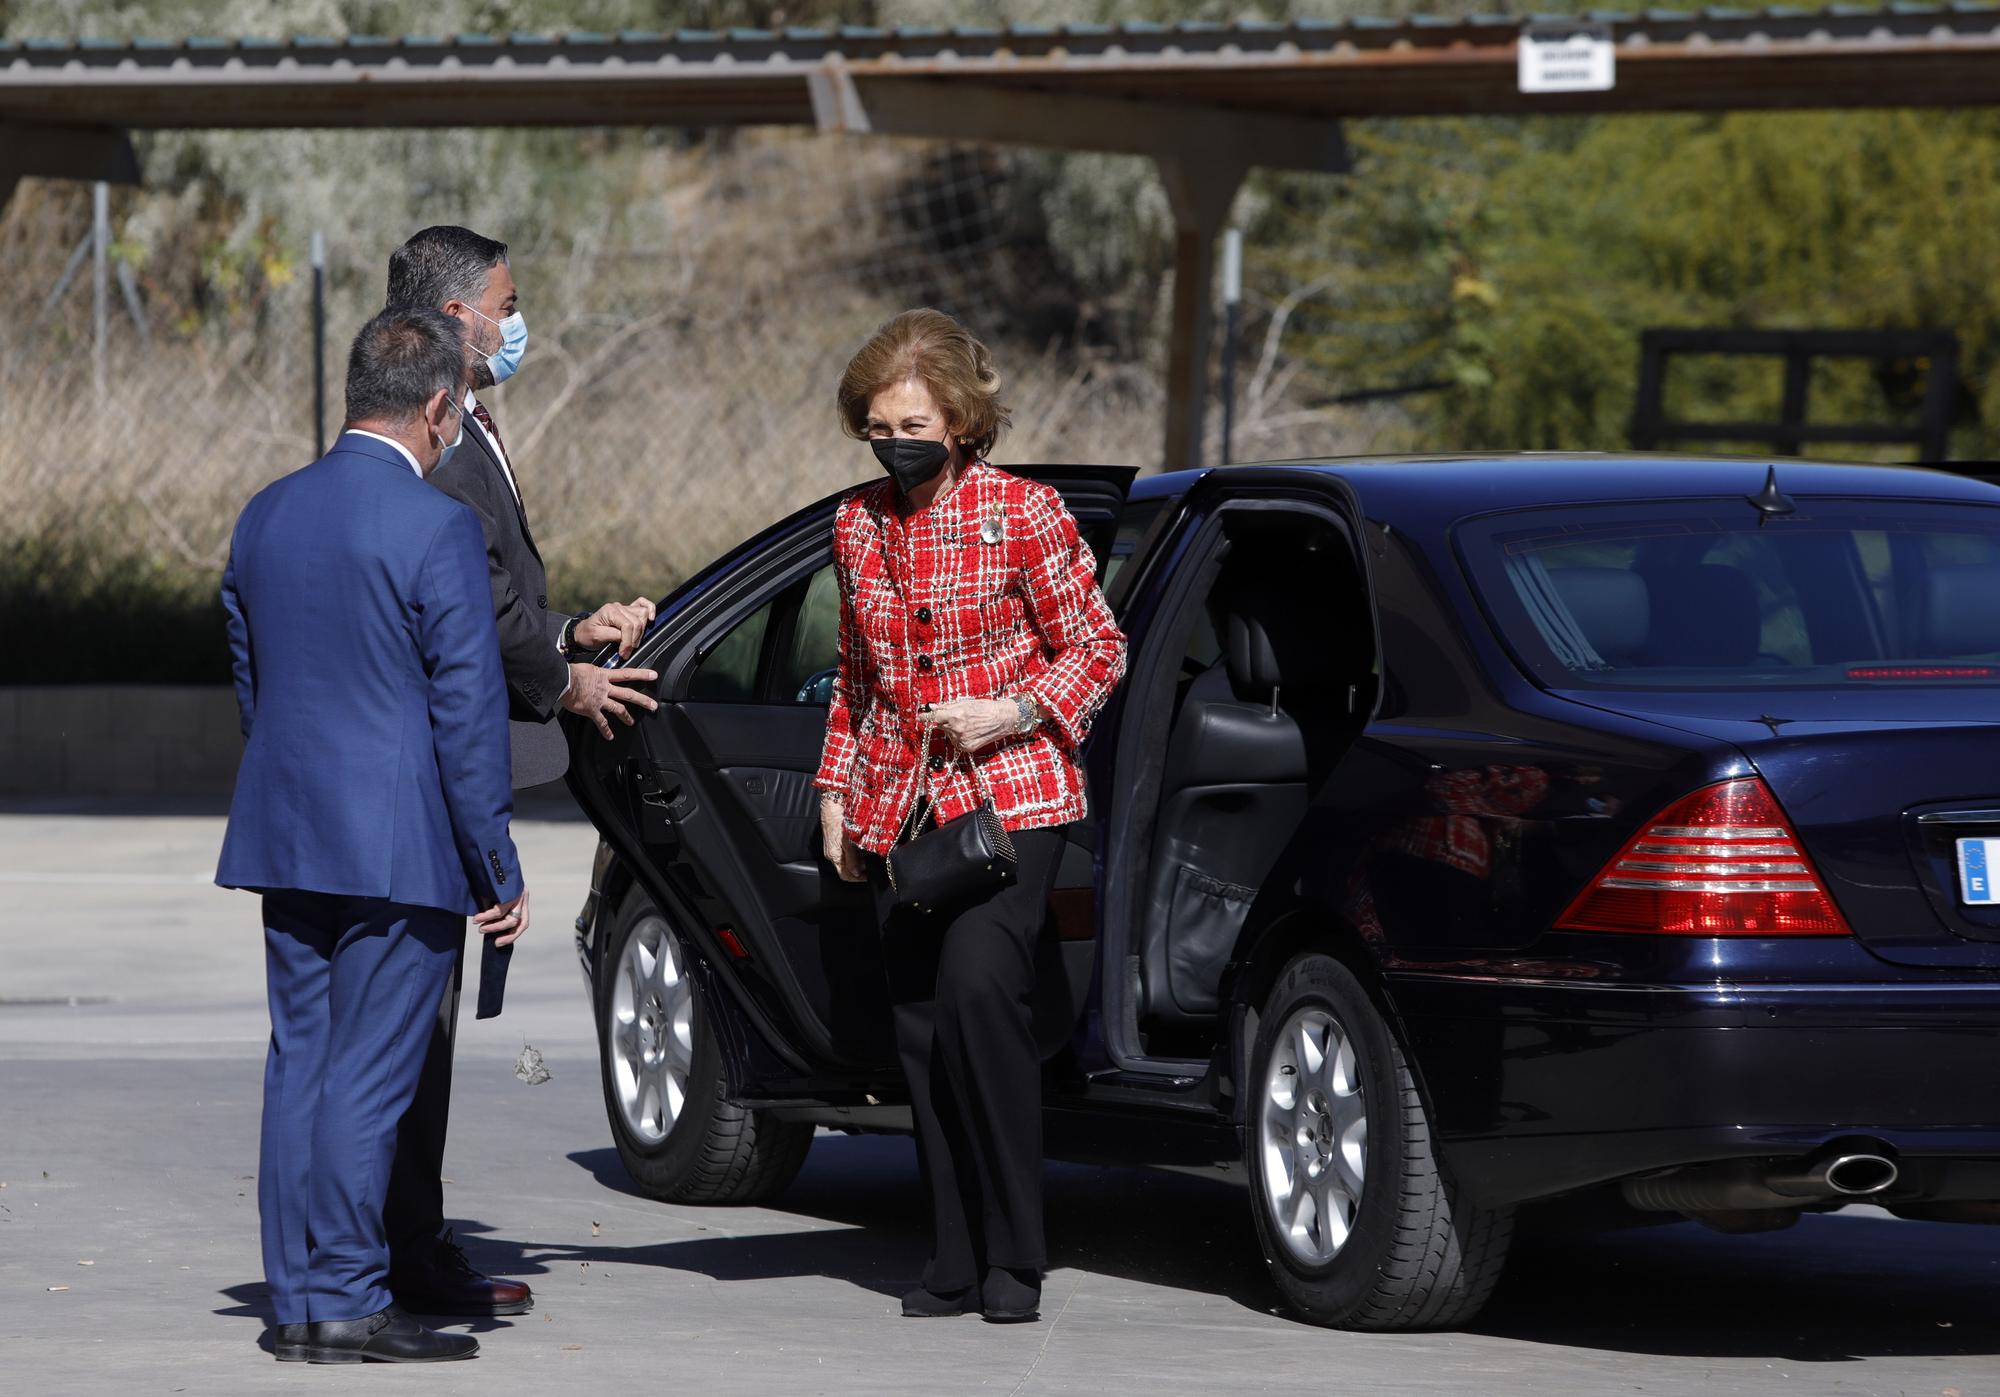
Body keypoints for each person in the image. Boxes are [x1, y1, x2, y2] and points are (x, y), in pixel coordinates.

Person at [217, 310, 527, 1364]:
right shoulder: (435, 525)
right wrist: (496, 862)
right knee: (366, 1073)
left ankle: (302, 1297)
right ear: (439, 405)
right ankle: (349, 1294)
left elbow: (254, 680)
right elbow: (465, 713)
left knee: (299, 1061)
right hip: (401, 849)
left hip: (287, 833)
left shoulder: (266, 513)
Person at [814, 308, 1127, 1324]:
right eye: (873, 424)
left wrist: (1012, 708)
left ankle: (1015, 1252)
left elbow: (1097, 645)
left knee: (980, 995)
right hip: (899, 810)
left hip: (1011, 797)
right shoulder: (853, 526)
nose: (890, 439)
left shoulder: (1020, 512)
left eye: (908, 420)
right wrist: (833, 793)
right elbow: (854, 679)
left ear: (957, 417)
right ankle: (950, 1254)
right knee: (918, 1031)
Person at [376, 225, 658, 1317]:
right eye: (508, 300)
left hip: (458, 756)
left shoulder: (463, 427)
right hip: (440, 774)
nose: (518, 319)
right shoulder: (435, 443)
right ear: (457, 319)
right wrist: (567, 680)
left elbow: (500, 590)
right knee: (415, 1030)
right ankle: (407, 1254)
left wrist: (570, 627)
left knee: (422, 1027)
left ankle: (410, 1239)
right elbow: (474, 608)